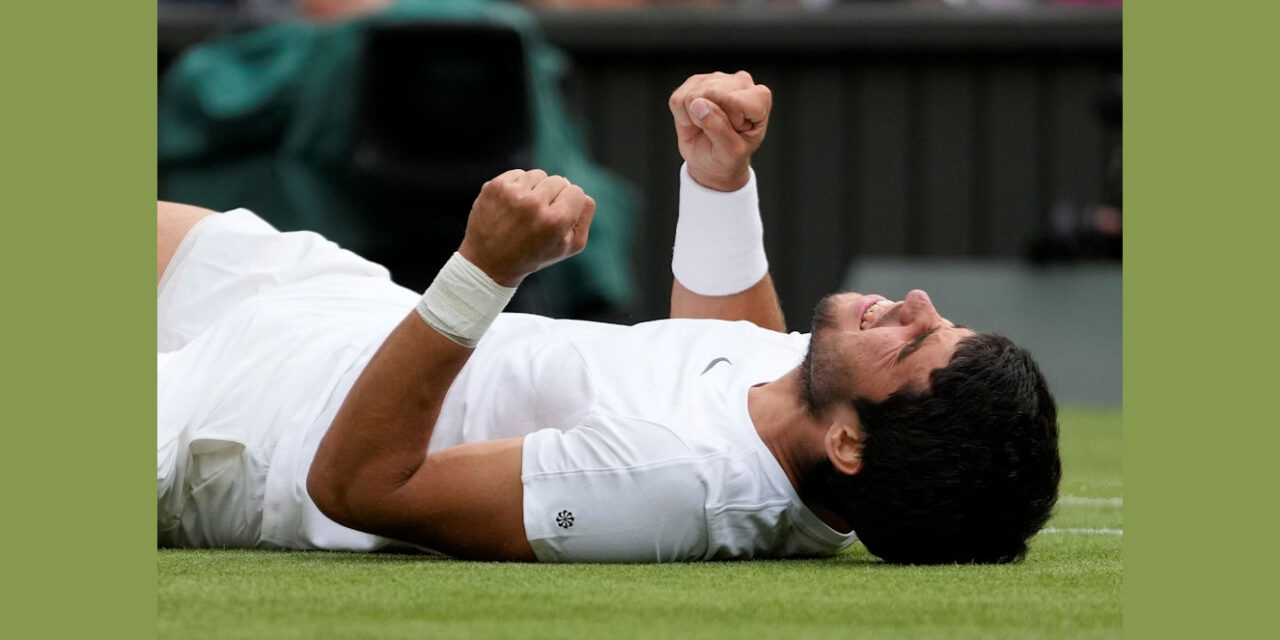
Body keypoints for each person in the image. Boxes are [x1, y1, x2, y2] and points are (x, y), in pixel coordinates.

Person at [158, 71, 1060, 564]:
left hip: (237, 432)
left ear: (852, 446)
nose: (914, 305)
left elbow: (359, 488)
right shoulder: (810, 410)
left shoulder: (669, 486)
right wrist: (719, 183)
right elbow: (723, 351)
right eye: (940, 319)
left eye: (917, 343)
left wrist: (483, 270)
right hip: (338, 311)